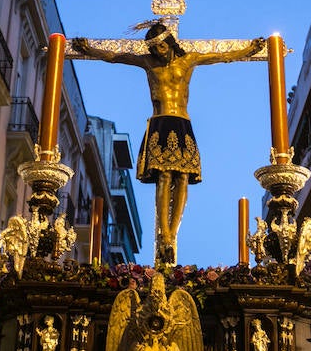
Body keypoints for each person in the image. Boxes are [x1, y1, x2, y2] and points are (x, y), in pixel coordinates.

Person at [73, 24, 264, 265]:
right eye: (154, 48)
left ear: (170, 41)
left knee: (183, 177)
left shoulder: (189, 60)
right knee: (164, 176)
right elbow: (116, 57)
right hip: (160, 122)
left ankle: (172, 234)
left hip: (182, 122)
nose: (159, 51)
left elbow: (222, 56)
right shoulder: (148, 63)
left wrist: (249, 49)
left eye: (162, 46)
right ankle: (164, 234)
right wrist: (89, 49)